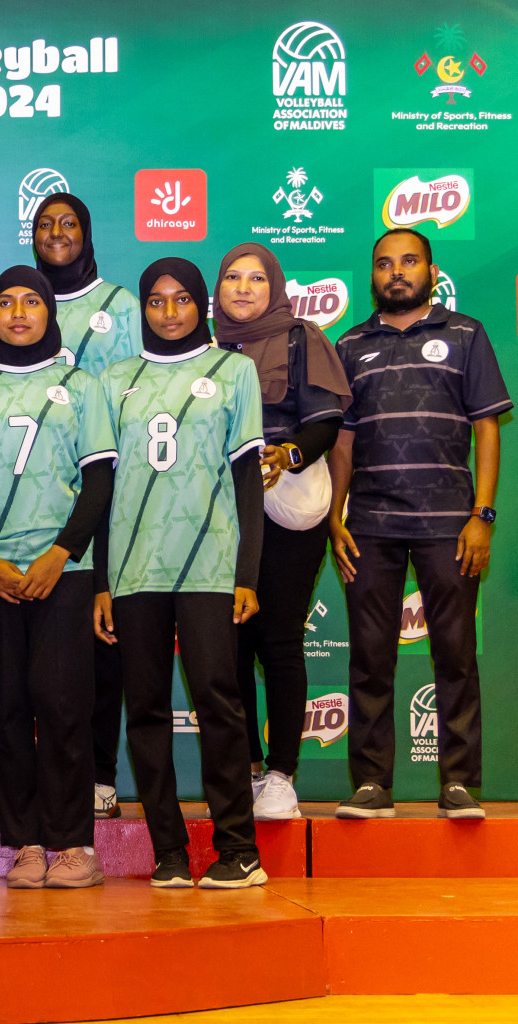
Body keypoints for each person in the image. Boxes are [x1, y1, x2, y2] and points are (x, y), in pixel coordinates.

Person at [328, 228, 508, 821]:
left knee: (455, 656)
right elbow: (344, 443)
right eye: (384, 264)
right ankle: (372, 787)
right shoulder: (351, 345)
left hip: (449, 525)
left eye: (408, 262)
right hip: (371, 526)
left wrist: (482, 516)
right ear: (372, 274)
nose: (395, 272)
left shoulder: (466, 334)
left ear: (432, 272)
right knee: (370, 658)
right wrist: (335, 516)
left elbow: (486, 428)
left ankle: (460, 784)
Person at [98, 257, 266, 889]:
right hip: (135, 570)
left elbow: (248, 478)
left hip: (210, 565)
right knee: (142, 709)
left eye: (182, 300)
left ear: (203, 305)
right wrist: (101, 583)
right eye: (156, 301)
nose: (169, 312)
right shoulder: (116, 378)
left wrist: (246, 572)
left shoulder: (234, 370)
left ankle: (239, 851)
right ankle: (167, 851)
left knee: (220, 704)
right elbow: (103, 487)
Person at [0, 266, 115, 888]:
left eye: (32, 301)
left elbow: (100, 479)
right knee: (6, 707)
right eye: (6, 302)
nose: (18, 312)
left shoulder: (82, 384)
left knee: (61, 704)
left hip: (64, 572)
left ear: (50, 312)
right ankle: (24, 842)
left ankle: (73, 842)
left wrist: (62, 552)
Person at [212, 243, 350, 821]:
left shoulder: (302, 337)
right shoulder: (203, 347)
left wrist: (287, 453)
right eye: (232, 278)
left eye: (255, 279)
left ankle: (282, 776)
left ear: (274, 286)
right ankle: (244, 768)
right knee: (229, 645)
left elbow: (325, 422)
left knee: (280, 640)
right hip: (217, 510)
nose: (243, 289)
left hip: (286, 504)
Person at [32, 191, 139, 820]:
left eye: (69, 222)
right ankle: (51, 774)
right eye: (45, 225)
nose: (56, 233)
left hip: (113, 492)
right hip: (42, 503)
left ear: (87, 232)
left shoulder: (122, 306)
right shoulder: (15, 305)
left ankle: (100, 774)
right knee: (44, 658)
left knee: (104, 640)